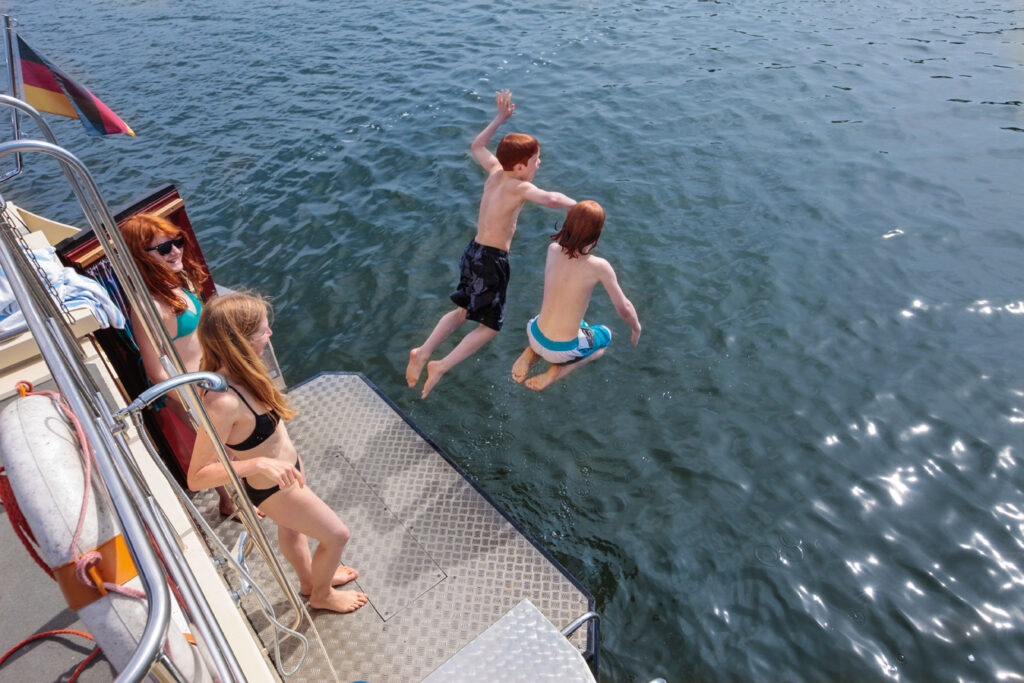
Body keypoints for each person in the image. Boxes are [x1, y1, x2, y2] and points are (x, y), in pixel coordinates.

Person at [189, 293, 368, 614]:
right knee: (337, 536)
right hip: (273, 488)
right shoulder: (223, 402)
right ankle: (322, 595)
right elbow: (196, 477)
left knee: (292, 528)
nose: (269, 335)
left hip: (288, 472)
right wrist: (257, 463)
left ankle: (309, 581)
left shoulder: (245, 373)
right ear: (239, 341)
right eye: (262, 331)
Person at [406, 89, 576, 398]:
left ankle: (423, 351)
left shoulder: (496, 171)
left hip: (473, 252)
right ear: (522, 166)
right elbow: (551, 198)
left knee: (461, 312)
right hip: (492, 260)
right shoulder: (519, 187)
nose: (540, 164)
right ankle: (441, 364)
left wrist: (499, 119)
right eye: (536, 160)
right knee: (490, 327)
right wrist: (578, 205)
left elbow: (477, 145)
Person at [120, 214, 234, 516]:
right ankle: (230, 501)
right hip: (193, 395)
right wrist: (192, 403)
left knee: (228, 444)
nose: (174, 251)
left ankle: (234, 496)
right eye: (163, 249)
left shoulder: (175, 285)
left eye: (176, 242)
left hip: (213, 381)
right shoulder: (150, 307)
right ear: (140, 259)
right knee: (213, 452)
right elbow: (155, 372)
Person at [511, 200, 641, 390]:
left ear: (567, 224)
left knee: (571, 319)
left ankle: (532, 352)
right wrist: (636, 328)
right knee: (604, 337)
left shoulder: (553, 249)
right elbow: (624, 308)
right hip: (560, 352)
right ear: (597, 234)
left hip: (534, 332)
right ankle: (555, 373)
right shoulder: (600, 267)